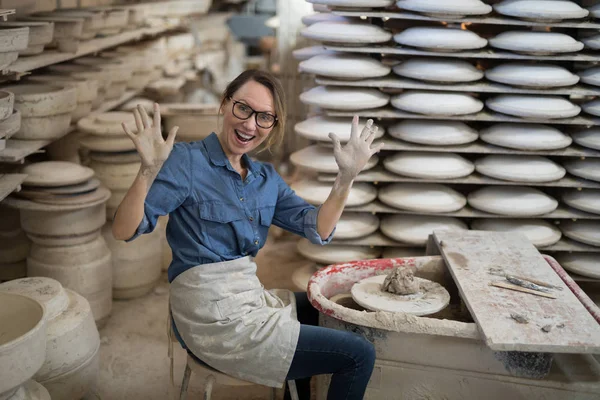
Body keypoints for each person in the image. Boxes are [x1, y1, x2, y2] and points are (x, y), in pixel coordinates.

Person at [112, 69, 383, 400]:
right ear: (225, 105)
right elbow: (123, 230)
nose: (250, 125)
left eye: (264, 117)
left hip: (245, 296)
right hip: (209, 310)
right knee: (358, 355)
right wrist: (148, 170)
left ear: (272, 126)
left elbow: (319, 228)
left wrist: (346, 178)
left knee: (323, 310)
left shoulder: (265, 179)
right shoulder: (187, 161)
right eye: (243, 109)